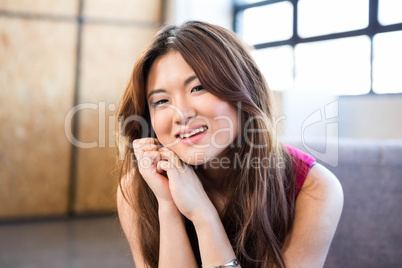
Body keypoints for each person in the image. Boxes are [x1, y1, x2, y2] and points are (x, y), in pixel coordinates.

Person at [116, 21, 343, 268]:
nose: (181, 113)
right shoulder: (137, 188)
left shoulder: (313, 188)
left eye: (198, 87)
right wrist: (169, 205)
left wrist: (203, 215)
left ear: (244, 89)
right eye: (161, 101)